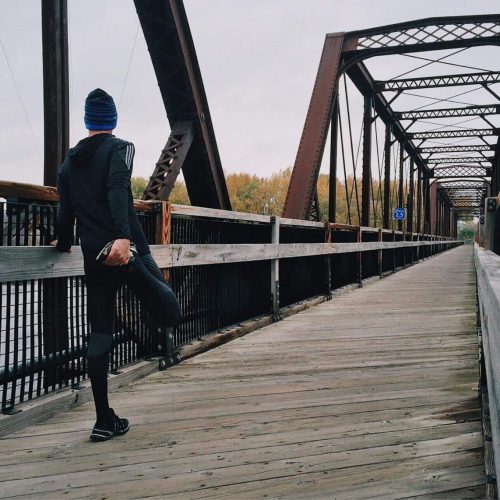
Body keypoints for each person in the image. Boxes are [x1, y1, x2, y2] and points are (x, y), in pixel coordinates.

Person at [52, 88, 181, 442]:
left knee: (100, 333)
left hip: (94, 259)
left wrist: (61, 243)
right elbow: (116, 188)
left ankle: (103, 419)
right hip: (125, 252)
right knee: (170, 312)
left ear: (86, 121)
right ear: (112, 120)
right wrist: (125, 240)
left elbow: (66, 214)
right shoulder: (119, 149)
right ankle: (106, 418)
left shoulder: (68, 164)